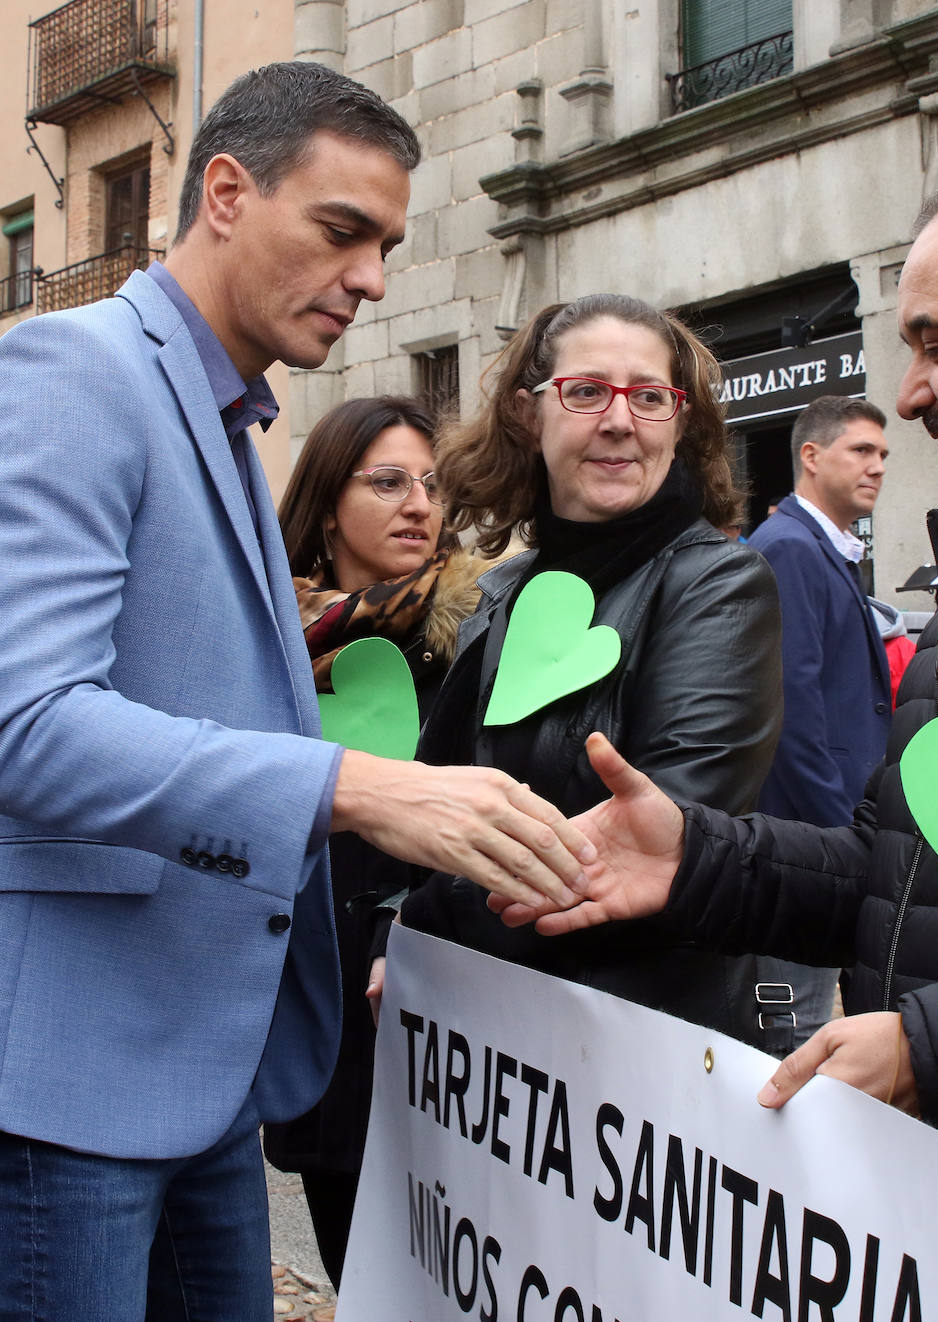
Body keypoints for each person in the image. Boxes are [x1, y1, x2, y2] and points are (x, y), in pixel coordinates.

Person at [0, 64, 593, 1321]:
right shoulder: (76, 370)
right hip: (66, 1087)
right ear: (225, 191)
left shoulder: (225, 414)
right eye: (343, 231)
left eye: (386, 243)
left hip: (201, 1074)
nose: (373, 276)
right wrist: (354, 784)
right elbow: (28, 722)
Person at [496, 161, 938, 1180]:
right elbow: (888, 876)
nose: (905, 399)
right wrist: (693, 858)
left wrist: (931, 1049)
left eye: (936, 345)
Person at [387, 293, 787, 1049]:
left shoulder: (718, 583)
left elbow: (658, 833)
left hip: (633, 1050)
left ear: (682, 421)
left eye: (649, 396)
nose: (618, 420)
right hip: (483, 1040)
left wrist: (426, 926)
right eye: (586, 390)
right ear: (526, 414)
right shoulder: (504, 591)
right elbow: (434, 801)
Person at [264, 395, 489, 1287]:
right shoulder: (269, 643)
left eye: (431, 486)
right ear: (326, 507)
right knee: (358, 1267)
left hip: (440, 987)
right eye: (388, 482)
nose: (419, 506)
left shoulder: (478, 633)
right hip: (316, 990)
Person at [748, 396, 892, 1045]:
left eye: (884, 454)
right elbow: (790, 708)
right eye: (861, 450)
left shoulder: (821, 547)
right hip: (804, 840)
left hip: (821, 837)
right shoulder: (790, 547)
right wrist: (841, 837)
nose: (878, 466)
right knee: (786, 1027)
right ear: (811, 456)